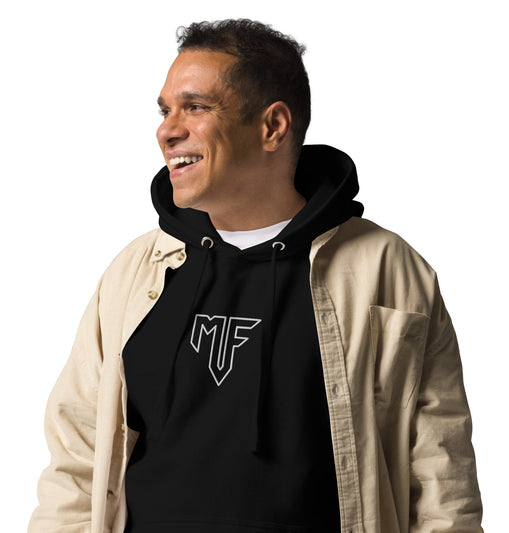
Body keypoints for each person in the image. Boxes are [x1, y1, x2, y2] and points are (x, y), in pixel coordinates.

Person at [28, 18, 483, 533]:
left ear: (273, 126)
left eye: (195, 107)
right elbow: (76, 463)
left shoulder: (387, 271)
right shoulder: (134, 273)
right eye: (165, 110)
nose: (166, 130)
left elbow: (443, 483)